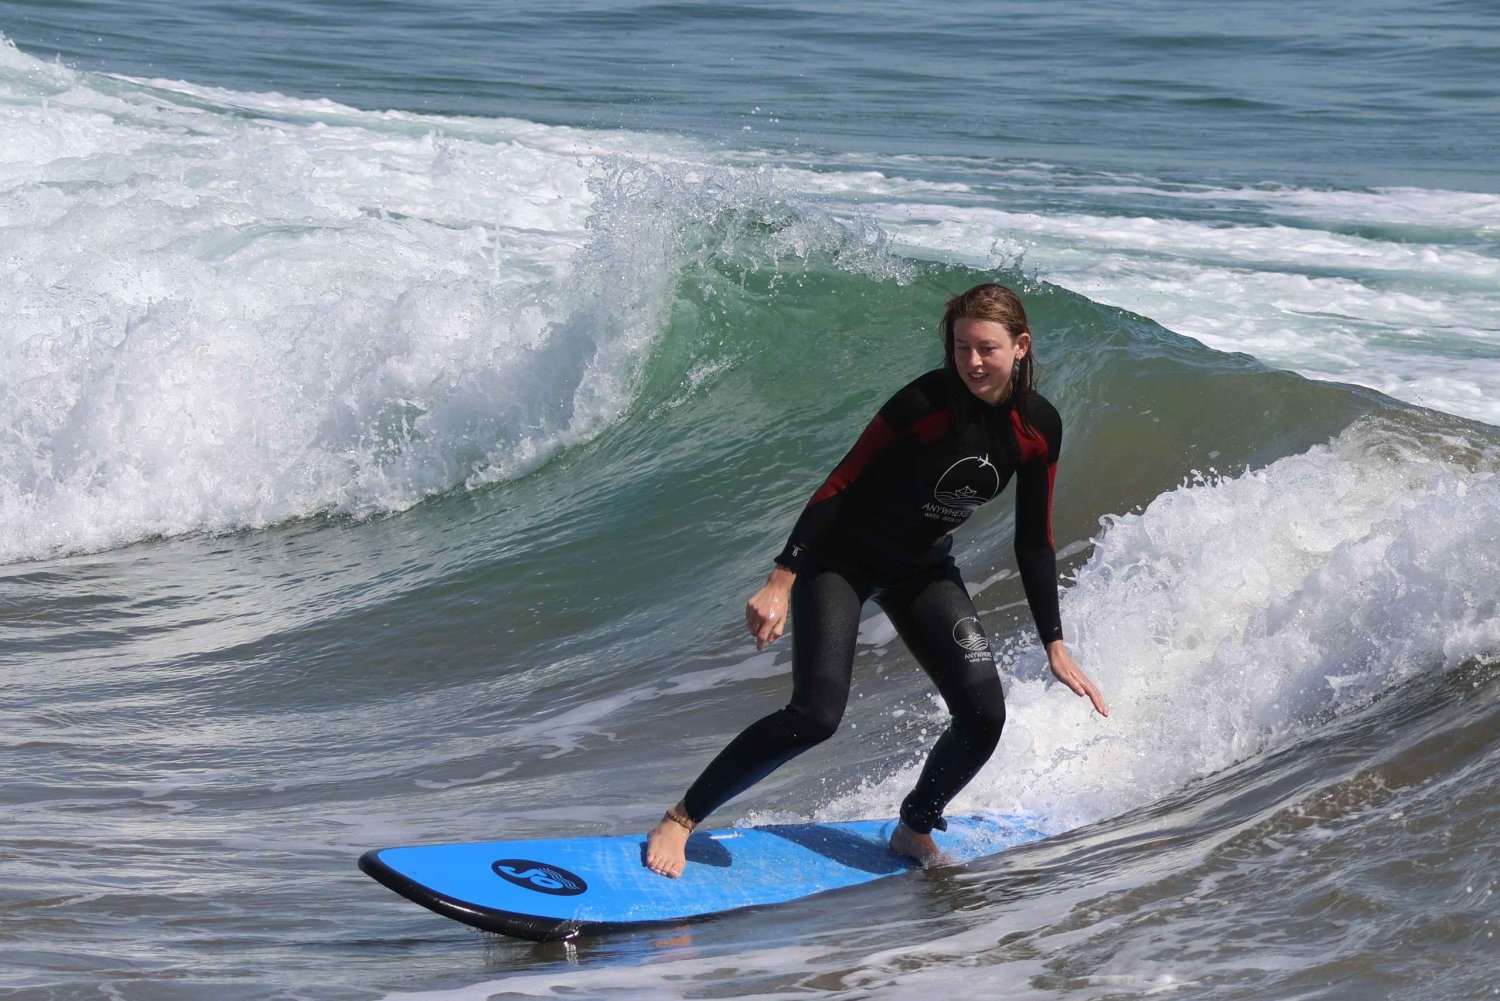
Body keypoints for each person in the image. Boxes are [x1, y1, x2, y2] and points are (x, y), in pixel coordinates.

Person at [644, 283, 1108, 878]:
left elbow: (1034, 540)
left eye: (986, 348)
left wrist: (1055, 643)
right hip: (842, 561)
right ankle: (680, 818)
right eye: (961, 346)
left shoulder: (1038, 428)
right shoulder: (924, 403)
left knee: (983, 716)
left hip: (923, 569)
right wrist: (783, 577)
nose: (971, 361)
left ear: (1020, 347)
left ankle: (914, 828)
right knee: (815, 715)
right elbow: (841, 483)